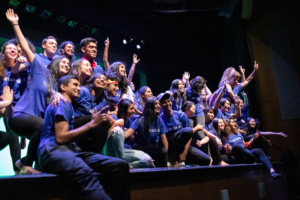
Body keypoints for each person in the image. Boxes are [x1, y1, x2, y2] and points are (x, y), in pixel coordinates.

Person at [38, 75, 130, 200]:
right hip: (52, 149)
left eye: (79, 85)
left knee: (121, 165)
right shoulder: (61, 103)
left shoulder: (67, 105)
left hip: (69, 150)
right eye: (75, 85)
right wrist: (91, 125)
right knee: (86, 172)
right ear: (63, 87)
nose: (79, 88)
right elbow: (61, 138)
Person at [158, 93, 211, 167]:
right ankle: (174, 160)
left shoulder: (181, 115)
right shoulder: (159, 120)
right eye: (164, 102)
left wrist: (184, 153)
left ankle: (183, 164)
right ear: (159, 105)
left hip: (183, 146)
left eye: (168, 101)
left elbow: (189, 135)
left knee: (206, 160)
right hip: (170, 148)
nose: (167, 104)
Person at [0, 41, 29, 172]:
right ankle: (17, 168)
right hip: (2, 105)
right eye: (9, 49)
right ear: (4, 53)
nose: (13, 50)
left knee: (12, 134)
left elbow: (23, 92)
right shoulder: (1, 69)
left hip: (16, 107)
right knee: (11, 135)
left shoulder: (21, 70)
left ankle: (17, 169)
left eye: (14, 49)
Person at [103, 98, 155, 168]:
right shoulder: (113, 118)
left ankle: (124, 167)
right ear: (122, 110)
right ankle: (122, 163)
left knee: (148, 160)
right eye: (131, 109)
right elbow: (105, 136)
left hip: (126, 151)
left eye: (133, 108)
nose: (133, 111)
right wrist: (115, 124)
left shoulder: (130, 120)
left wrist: (138, 112)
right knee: (117, 130)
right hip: (110, 151)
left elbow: (145, 117)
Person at [126, 97, 169, 167]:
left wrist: (166, 161)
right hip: (140, 147)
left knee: (162, 157)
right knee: (161, 151)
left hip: (153, 148)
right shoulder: (140, 120)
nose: (159, 106)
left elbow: (165, 143)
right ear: (150, 106)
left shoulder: (159, 121)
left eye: (159, 104)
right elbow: (127, 134)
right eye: (156, 104)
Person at [182, 101, 227, 165]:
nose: (194, 111)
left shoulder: (204, 124)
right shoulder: (184, 118)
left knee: (212, 139)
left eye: (195, 109)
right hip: (190, 143)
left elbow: (205, 131)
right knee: (208, 138)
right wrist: (196, 129)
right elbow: (187, 131)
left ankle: (216, 160)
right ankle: (211, 159)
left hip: (200, 143)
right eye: (193, 109)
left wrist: (215, 137)